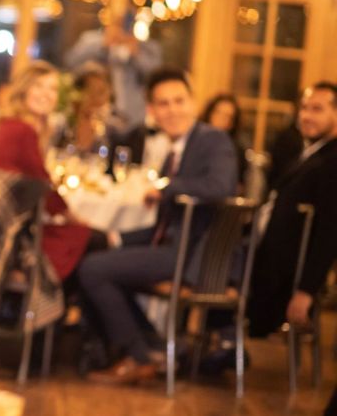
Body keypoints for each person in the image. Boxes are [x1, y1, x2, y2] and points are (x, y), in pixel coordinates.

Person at [76, 68, 238, 385]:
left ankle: (139, 355)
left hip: (196, 257)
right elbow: (164, 225)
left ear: (193, 103)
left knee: (93, 270)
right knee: (92, 255)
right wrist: (115, 237)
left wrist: (166, 188)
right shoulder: (173, 152)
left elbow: (220, 187)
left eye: (179, 101)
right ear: (152, 111)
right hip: (171, 248)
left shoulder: (212, 140)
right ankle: (151, 348)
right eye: (163, 104)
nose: (172, 110)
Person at [0, 60, 106, 281]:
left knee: (86, 239)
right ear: (24, 89)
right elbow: (43, 189)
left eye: (52, 89)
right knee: (91, 239)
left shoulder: (12, 124)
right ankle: (52, 310)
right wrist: (74, 218)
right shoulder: (21, 130)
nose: (46, 94)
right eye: (38, 86)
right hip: (7, 237)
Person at [247, 82, 337, 338]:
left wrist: (306, 291)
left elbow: (329, 232)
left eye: (317, 109)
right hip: (263, 259)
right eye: (304, 108)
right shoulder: (309, 153)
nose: (306, 116)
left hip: (277, 276)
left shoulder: (332, 161)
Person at [64, 14, 163, 131]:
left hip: (135, 121)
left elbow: (155, 78)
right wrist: (102, 45)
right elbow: (70, 62)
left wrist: (136, 55)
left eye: (128, 25)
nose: (123, 30)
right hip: (96, 117)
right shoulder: (92, 40)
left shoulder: (148, 48)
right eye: (119, 24)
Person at [200, 93, 248, 186]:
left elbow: (238, 184)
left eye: (227, 116)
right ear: (209, 114)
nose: (221, 119)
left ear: (232, 123)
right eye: (218, 112)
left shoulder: (235, 150)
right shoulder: (195, 141)